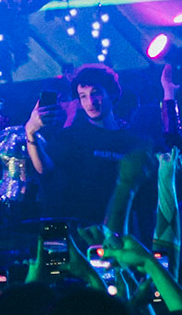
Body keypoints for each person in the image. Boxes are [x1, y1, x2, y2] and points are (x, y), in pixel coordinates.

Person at [28, 64, 151, 226]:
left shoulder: (132, 142)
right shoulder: (70, 136)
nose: (90, 102)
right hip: (67, 227)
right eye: (83, 96)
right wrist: (30, 132)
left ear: (112, 94)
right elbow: (44, 169)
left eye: (96, 93)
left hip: (112, 233)